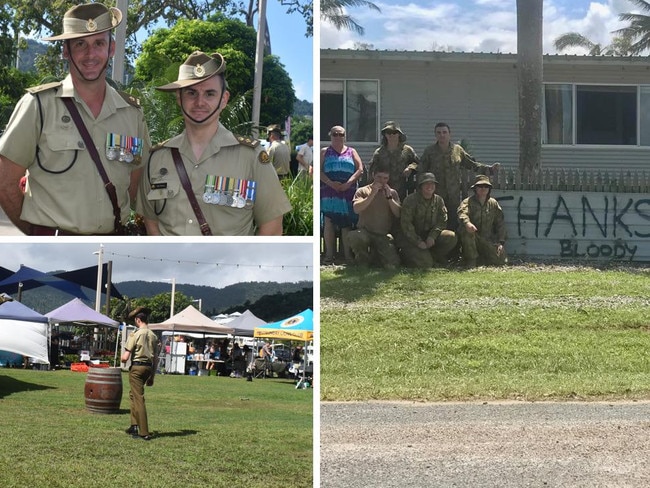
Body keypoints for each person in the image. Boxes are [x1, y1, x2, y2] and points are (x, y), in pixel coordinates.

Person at [0, 3, 151, 236]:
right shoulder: (38, 105)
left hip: (112, 241)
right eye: (80, 44)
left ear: (111, 48)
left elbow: (133, 186)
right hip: (52, 241)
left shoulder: (132, 115)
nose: (90, 54)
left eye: (98, 43)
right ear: (66, 51)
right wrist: (35, 234)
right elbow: (5, 180)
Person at [136, 51, 291, 235]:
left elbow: (272, 227)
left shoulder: (252, 156)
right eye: (191, 93)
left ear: (223, 99)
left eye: (209, 93)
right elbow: (151, 220)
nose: (199, 102)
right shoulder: (158, 158)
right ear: (179, 98)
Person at [418, 122, 500, 231]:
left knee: (453, 224)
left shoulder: (457, 150)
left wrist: (489, 169)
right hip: (436, 195)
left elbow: (471, 164)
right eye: (439, 133)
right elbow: (421, 172)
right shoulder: (429, 151)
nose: (442, 135)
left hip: (453, 195)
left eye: (444, 132)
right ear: (435, 135)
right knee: (435, 224)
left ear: (449, 134)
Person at [320, 126, 364, 265]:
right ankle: (328, 255)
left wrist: (348, 183)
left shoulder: (352, 151)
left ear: (345, 136)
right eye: (335, 134)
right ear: (330, 135)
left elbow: (360, 169)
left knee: (346, 224)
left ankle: (347, 256)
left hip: (348, 191)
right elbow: (318, 170)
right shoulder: (324, 152)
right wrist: (330, 183)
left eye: (341, 134)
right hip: (329, 191)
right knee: (329, 222)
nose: (338, 136)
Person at [397, 172, 458, 268]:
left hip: (428, 236)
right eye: (426, 183)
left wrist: (432, 236)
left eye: (432, 184)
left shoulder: (438, 200)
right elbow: (406, 225)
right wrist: (418, 241)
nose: (429, 186)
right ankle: (408, 257)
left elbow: (442, 221)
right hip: (411, 238)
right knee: (426, 264)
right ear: (421, 186)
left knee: (451, 237)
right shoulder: (410, 200)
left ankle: (433, 256)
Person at [347, 166, 401, 269]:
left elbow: (398, 214)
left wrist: (389, 198)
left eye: (385, 178)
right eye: (379, 177)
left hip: (383, 234)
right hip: (365, 231)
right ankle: (362, 262)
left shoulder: (392, 193)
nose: (382, 181)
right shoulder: (362, 191)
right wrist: (372, 194)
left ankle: (375, 257)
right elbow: (356, 209)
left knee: (392, 265)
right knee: (355, 236)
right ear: (373, 176)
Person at [121, 306, 158, 441]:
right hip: (148, 368)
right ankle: (134, 424)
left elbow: (125, 357)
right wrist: (152, 376)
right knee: (133, 395)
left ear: (137, 320)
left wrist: (122, 359)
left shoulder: (136, 334)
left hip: (137, 368)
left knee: (138, 398)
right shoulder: (153, 336)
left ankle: (144, 431)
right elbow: (156, 359)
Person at [457, 175, 507, 268]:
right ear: (475, 188)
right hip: (472, 238)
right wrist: (467, 223)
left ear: (489, 189)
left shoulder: (493, 203)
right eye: (480, 186)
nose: (483, 188)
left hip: (487, 240)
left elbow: (500, 223)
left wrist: (501, 242)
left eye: (486, 186)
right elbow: (462, 213)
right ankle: (471, 260)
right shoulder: (467, 202)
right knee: (466, 231)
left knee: (501, 260)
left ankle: (481, 258)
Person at [369, 121, 419, 201]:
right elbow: (372, 172)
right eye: (388, 132)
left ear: (399, 134)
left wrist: (410, 168)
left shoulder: (407, 150)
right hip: (383, 191)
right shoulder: (379, 152)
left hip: (402, 191)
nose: (392, 135)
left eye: (395, 132)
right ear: (385, 135)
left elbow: (418, 163)